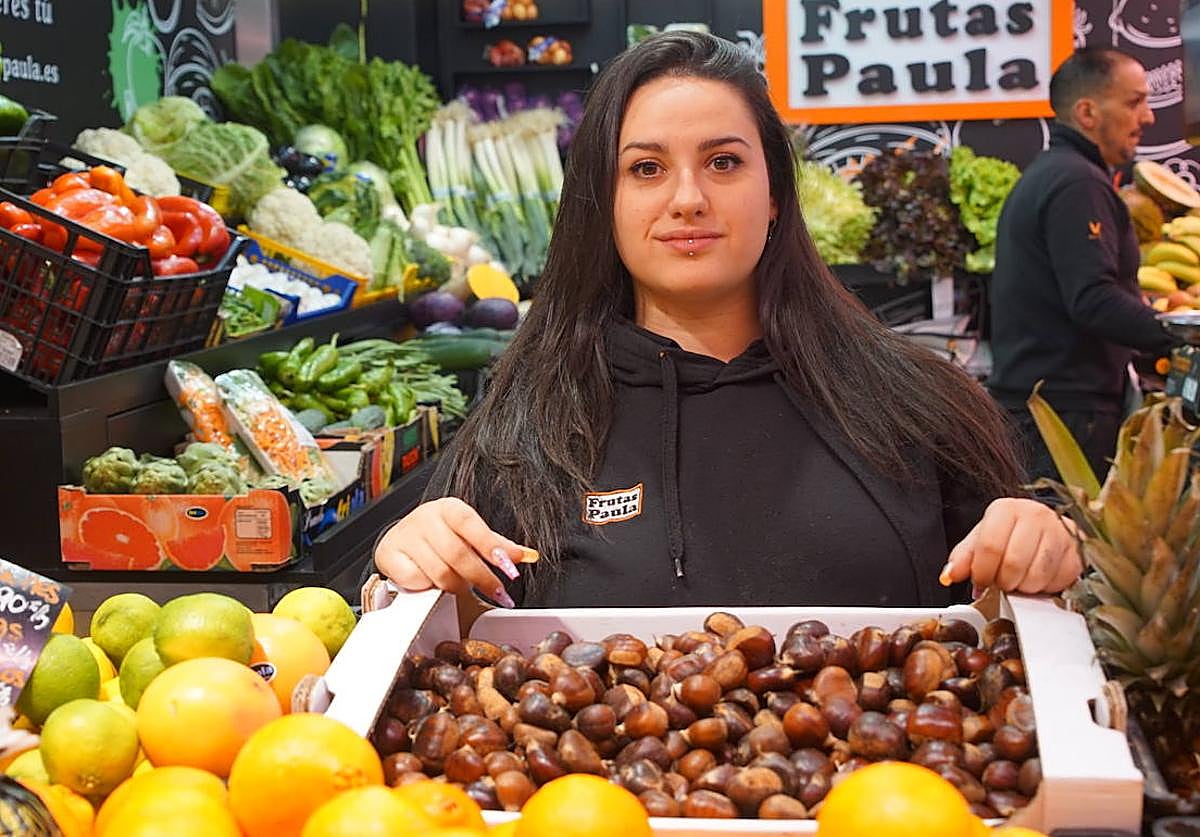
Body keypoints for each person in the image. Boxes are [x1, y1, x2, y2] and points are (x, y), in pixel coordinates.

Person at [375, 32, 1081, 609]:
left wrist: (1036, 539)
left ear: (773, 194)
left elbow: (1010, 598)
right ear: (605, 202)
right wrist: (412, 557)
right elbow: (458, 629)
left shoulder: (918, 402)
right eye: (646, 169)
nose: (687, 198)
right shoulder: (525, 424)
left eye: (722, 161)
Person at [988, 46, 1177, 482]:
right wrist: (1177, 333)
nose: (1148, 117)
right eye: (1134, 102)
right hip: (1065, 414)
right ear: (1088, 112)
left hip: (1050, 407)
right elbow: (1092, 299)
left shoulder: (1056, 173)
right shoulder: (1077, 183)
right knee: (1066, 541)